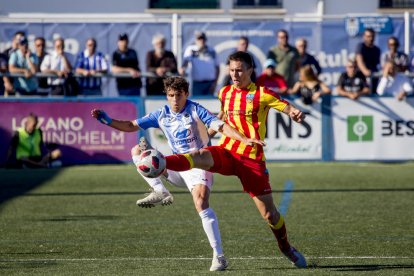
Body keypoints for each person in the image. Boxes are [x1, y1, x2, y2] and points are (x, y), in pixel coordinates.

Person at [91, 76, 263, 271]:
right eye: (171, 95)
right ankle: (160, 191)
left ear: (186, 94)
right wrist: (107, 121)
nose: (174, 100)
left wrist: (243, 138)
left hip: (199, 165)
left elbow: (219, 126)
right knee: (137, 152)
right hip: (175, 167)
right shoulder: (161, 114)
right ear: (166, 95)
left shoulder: (196, 109)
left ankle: (219, 255)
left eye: (178, 95)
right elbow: (131, 126)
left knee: (200, 203)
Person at [162, 51, 307, 269]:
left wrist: (294, 112)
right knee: (199, 155)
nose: (235, 74)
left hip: (251, 160)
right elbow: (223, 115)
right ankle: (160, 163)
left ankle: (286, 247)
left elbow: (284, 105)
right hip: (227, 151)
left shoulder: (262, 93)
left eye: (239, 70)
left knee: (269, 214)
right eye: (231, 70)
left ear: (250, 70)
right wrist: (208, 132)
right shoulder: (225, 92)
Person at [180, 31, 219, 95]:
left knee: (209, 104)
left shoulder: (212, 51)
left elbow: (217, 68)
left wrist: (215, 83)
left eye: (203, 38)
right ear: (195, 40)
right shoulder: (191, 49)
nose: (201, 40)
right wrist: (183, 68)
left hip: (210, 84)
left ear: (205, 39)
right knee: (196, 103)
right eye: (199, 39)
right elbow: (186, 62)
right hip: (197, 84)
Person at [355, 28, 381, 93]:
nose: (371, 38)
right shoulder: (361, 47)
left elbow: (378, 65)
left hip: (373, 76)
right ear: (364, 37)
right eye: (368, 36)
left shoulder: (377, 50)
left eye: (372, 36)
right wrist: (365, 71)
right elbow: (359, 60)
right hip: (361, 76)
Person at [3, 31, 25, 96]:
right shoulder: (6, 53)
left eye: (22, 40)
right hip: (9, 85)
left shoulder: (25, 53)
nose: (19, 41)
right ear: (14, 39)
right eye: (18, 39)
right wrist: (6, 82)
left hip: (21, 85)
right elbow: (3, 68)